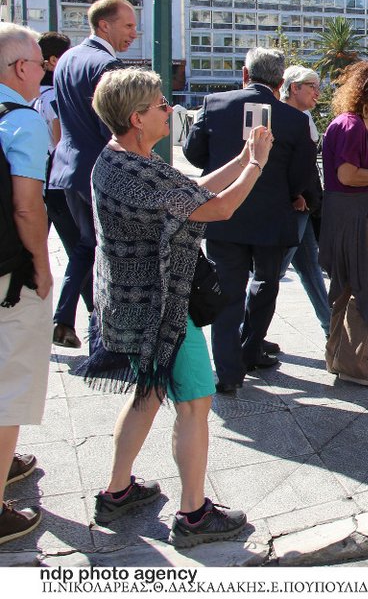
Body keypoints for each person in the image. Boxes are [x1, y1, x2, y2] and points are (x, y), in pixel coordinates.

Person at [82, 67, 272, 547]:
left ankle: (117, 491)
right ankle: (193, 516)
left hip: (133, 302)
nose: (169, 109)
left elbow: (196, 189)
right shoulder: (133, 173)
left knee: (148, 391)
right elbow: (217, 208)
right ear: (135, 117)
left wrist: (245, 157)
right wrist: (256, 166)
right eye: (160, 105)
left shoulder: (120, 159)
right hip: (160, 308)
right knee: (195, 404)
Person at [184, 48, 315, 395]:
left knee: (227, 290)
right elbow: (302, 173)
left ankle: (228, 371)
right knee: (266, 284)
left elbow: (192, 152)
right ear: (281, 80)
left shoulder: (214, 104)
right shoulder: (295, 120)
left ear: (245, 74)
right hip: (272, 217)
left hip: (224, 213)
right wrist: (289, 193)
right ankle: (251, 349)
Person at [47, 0, 136, 351]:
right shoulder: (108, 66)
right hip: (99, 172)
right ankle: (106, 338)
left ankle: (64, 317)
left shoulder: (67, 58)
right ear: (104, 25)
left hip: (66, 168)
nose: (133, 32)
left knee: (86, 248)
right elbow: (113, 126)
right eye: (128, 25)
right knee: (109, 254)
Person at [0, 23, 53, 545]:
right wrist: (41, 264)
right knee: (9, 387)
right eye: (39, 63)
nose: (44, 71)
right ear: (20, 68)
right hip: (7, 275)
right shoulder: (23, 119)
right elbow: (26, 204)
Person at [318, 59, 368, 387]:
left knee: (348, 286)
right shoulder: (353, 125)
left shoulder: (360, 125)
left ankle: (338, 356)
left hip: (349, 212)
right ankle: (352, 361)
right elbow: (346, 175)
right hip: (350, 214)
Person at [32, 32, 90, 348]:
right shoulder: (54, 97)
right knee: (83, 249)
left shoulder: (28, 95)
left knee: (75, 251)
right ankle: (69, 318)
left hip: (37, 182)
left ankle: (72, 318)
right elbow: (60, 142)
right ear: (54, 61)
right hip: (58, 182)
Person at [278, 65, 331, 339]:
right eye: (311, 85)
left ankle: (330, 328)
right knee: (273, 274)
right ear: (293, 87)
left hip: (306, 205)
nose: (317, 92)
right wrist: (294, 195)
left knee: (310, 268)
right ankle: (247, 332)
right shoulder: (285, 118)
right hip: (294, 206)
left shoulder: (305, 116)